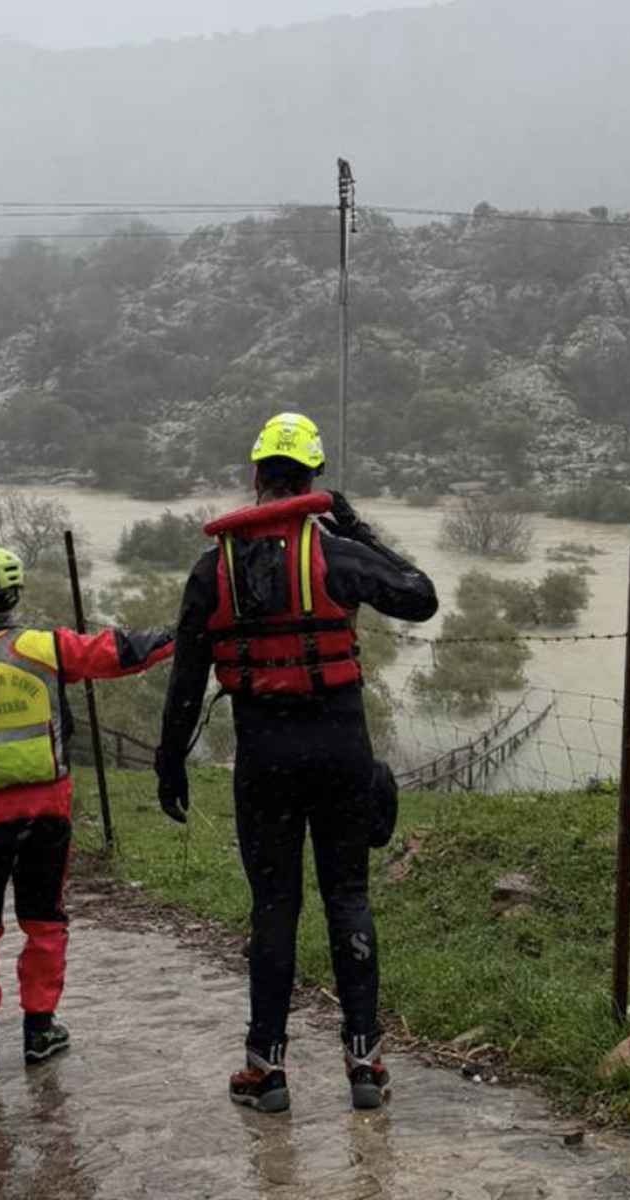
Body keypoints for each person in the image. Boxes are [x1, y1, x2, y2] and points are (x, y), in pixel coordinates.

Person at [153, 412, 439, 1113]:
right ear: (314, 480)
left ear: (255, 477)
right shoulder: (336, 554)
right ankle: (365, 1064)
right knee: (349, 898)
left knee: (275, 908)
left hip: (266, 758)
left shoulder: (210, 568)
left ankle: (265, 1070)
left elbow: (187, 679)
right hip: (342, 749)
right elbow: (420, 596)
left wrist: (171, 761)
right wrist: (357, 528)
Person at [0, 546, 174, 1075]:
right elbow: (118, 652)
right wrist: (181, 633)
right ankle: (39, 1030)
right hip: (48, 816)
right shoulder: (45, 648)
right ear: (14, 595)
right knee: (44, 921)